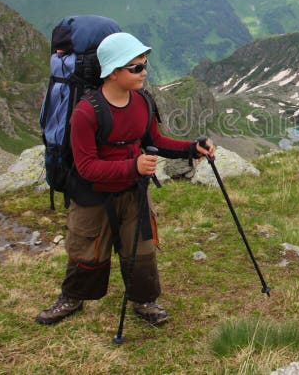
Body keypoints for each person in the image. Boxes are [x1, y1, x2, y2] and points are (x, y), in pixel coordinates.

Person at [36, 32, 214, 325]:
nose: (144, 72)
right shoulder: (85, 113)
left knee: (141, 250)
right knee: (87, 251)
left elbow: (154, 139)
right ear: (113, 72)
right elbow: (86, 168)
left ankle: (145, 301)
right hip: (92, 195)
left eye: (145, 64)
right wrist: (134, 166)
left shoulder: (142, 101)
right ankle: (72, 298)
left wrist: (192, 149)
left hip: (134, 192)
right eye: (136, 67)